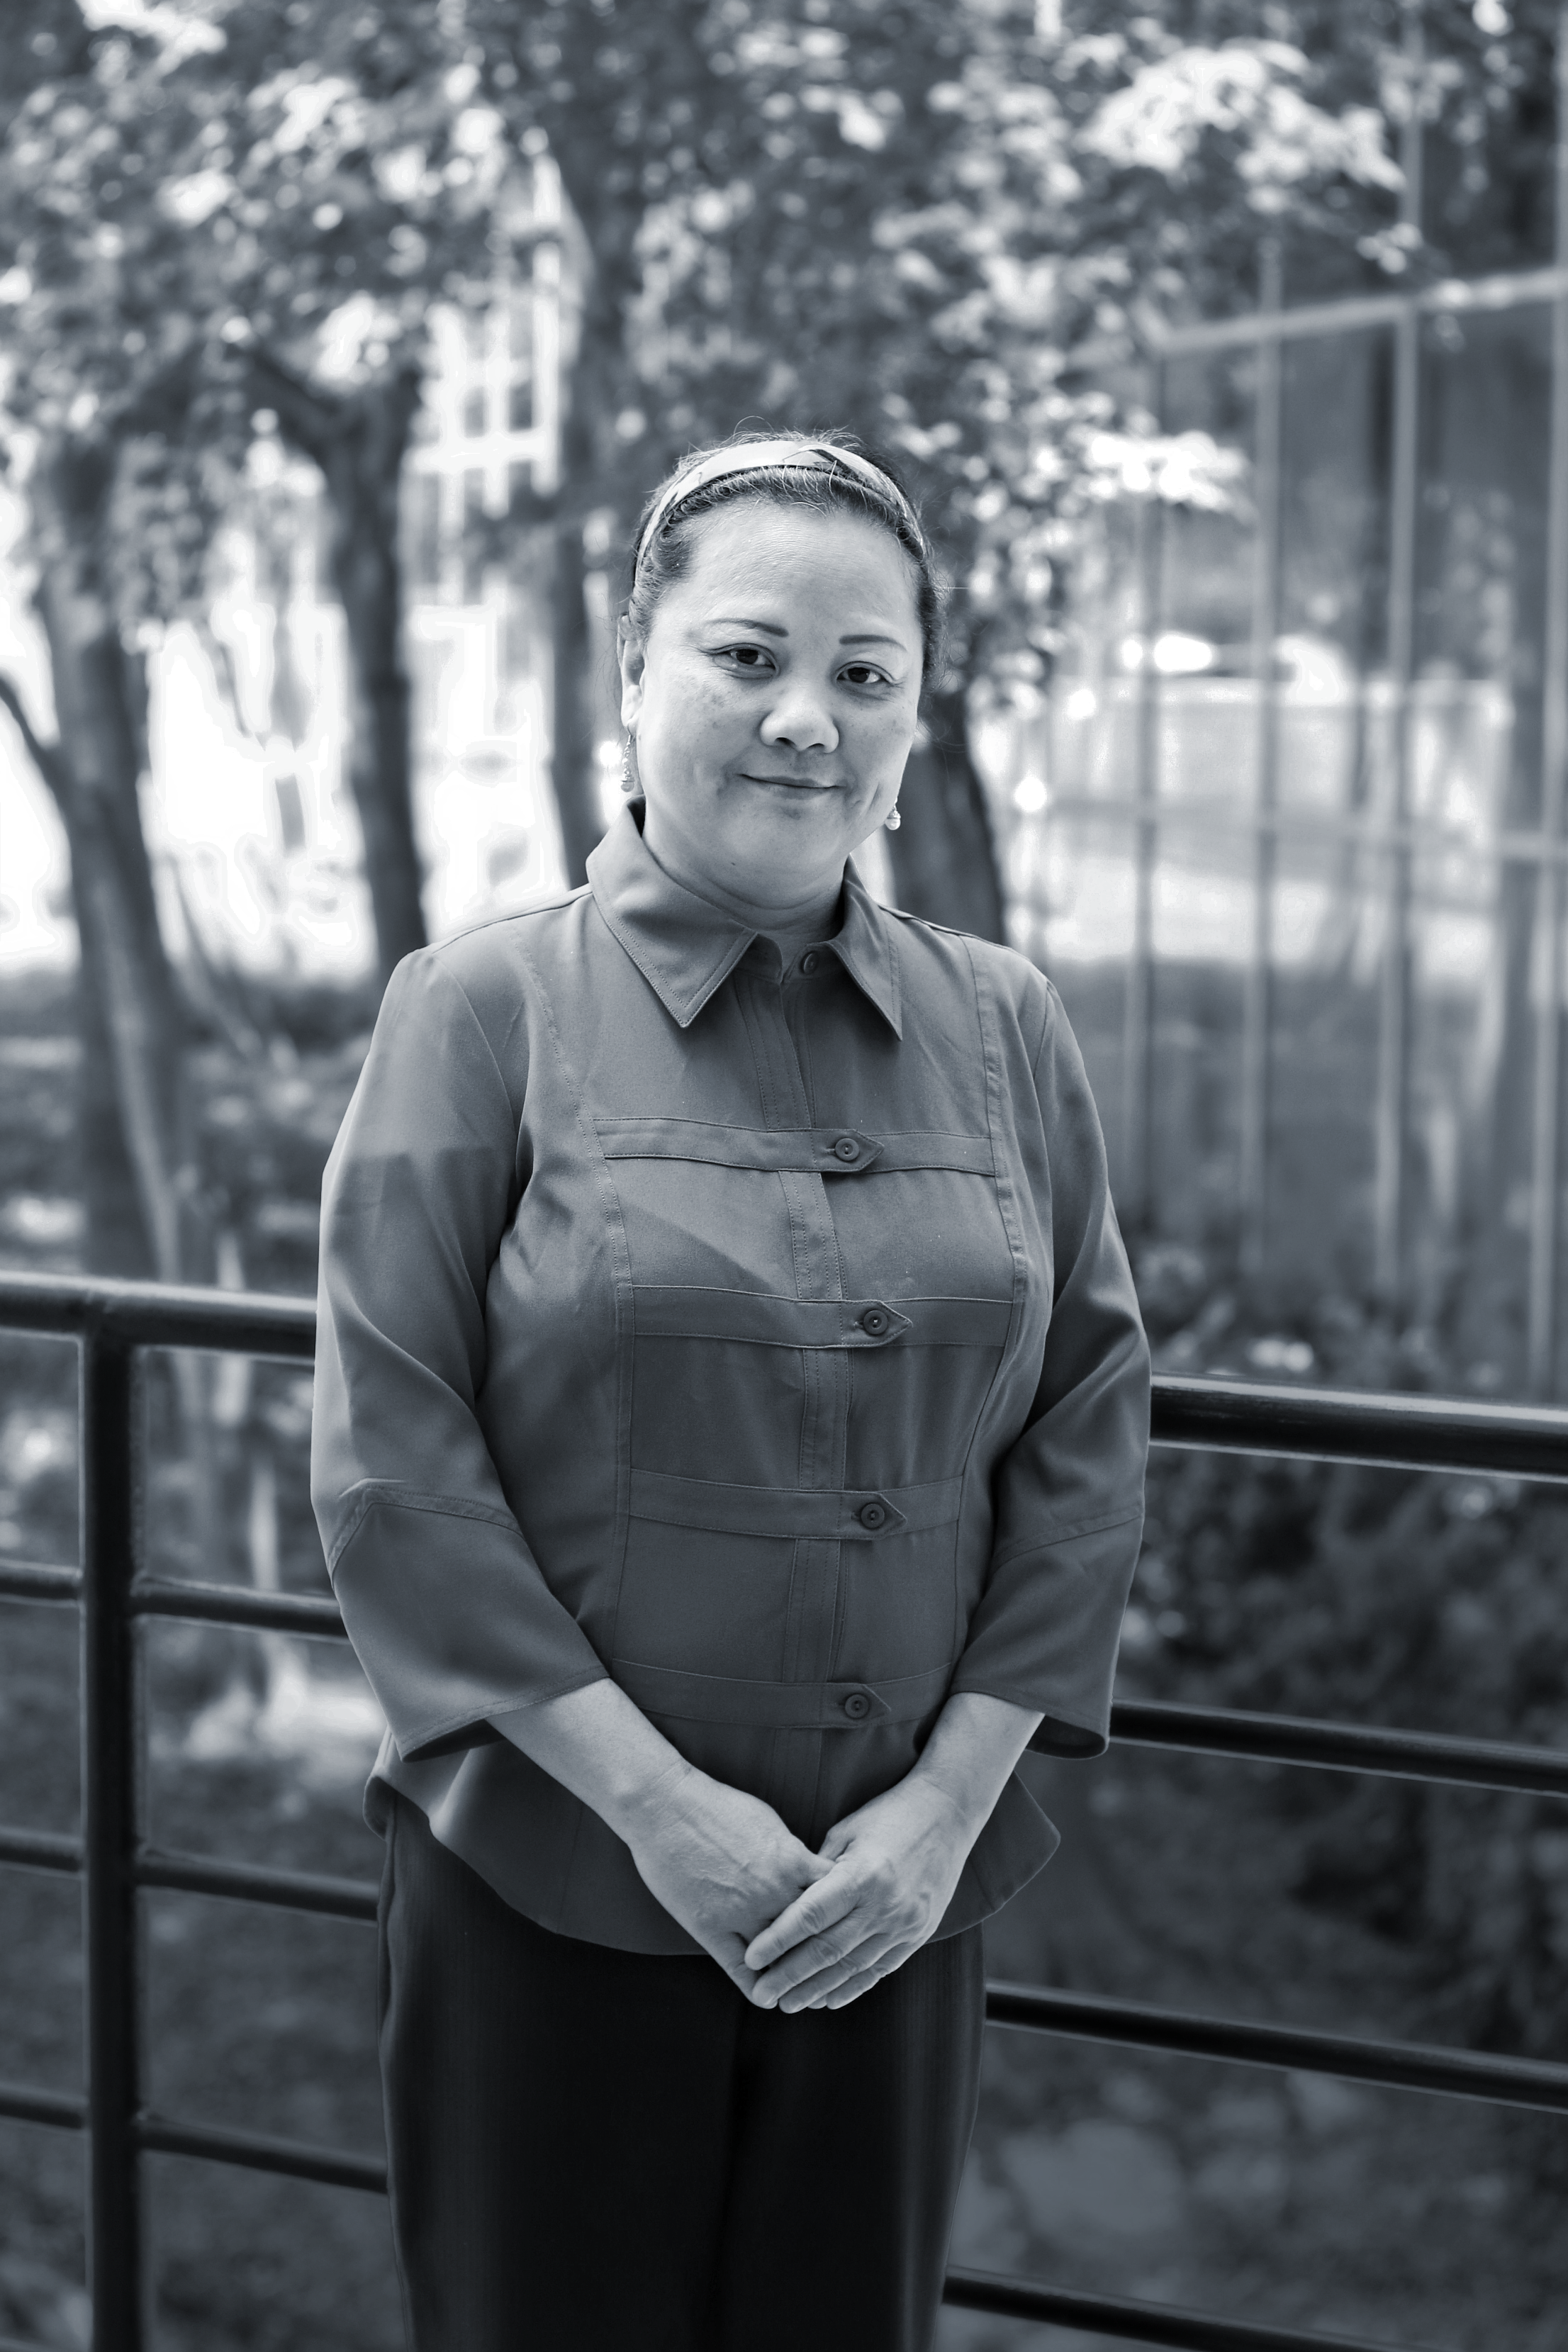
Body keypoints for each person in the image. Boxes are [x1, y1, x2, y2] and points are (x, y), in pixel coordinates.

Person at [310, 430, 1150, 2352]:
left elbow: (1090, 1418)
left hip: (892, 1901)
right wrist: (659, 1812)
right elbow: (391, 1456)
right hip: (551, 1885)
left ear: (915, 720)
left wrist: (943, 1808)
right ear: (633, 673)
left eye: (866, 676)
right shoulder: (480, 1007)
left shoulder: (1005, 1022)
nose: (805, 721)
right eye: (747, 655)